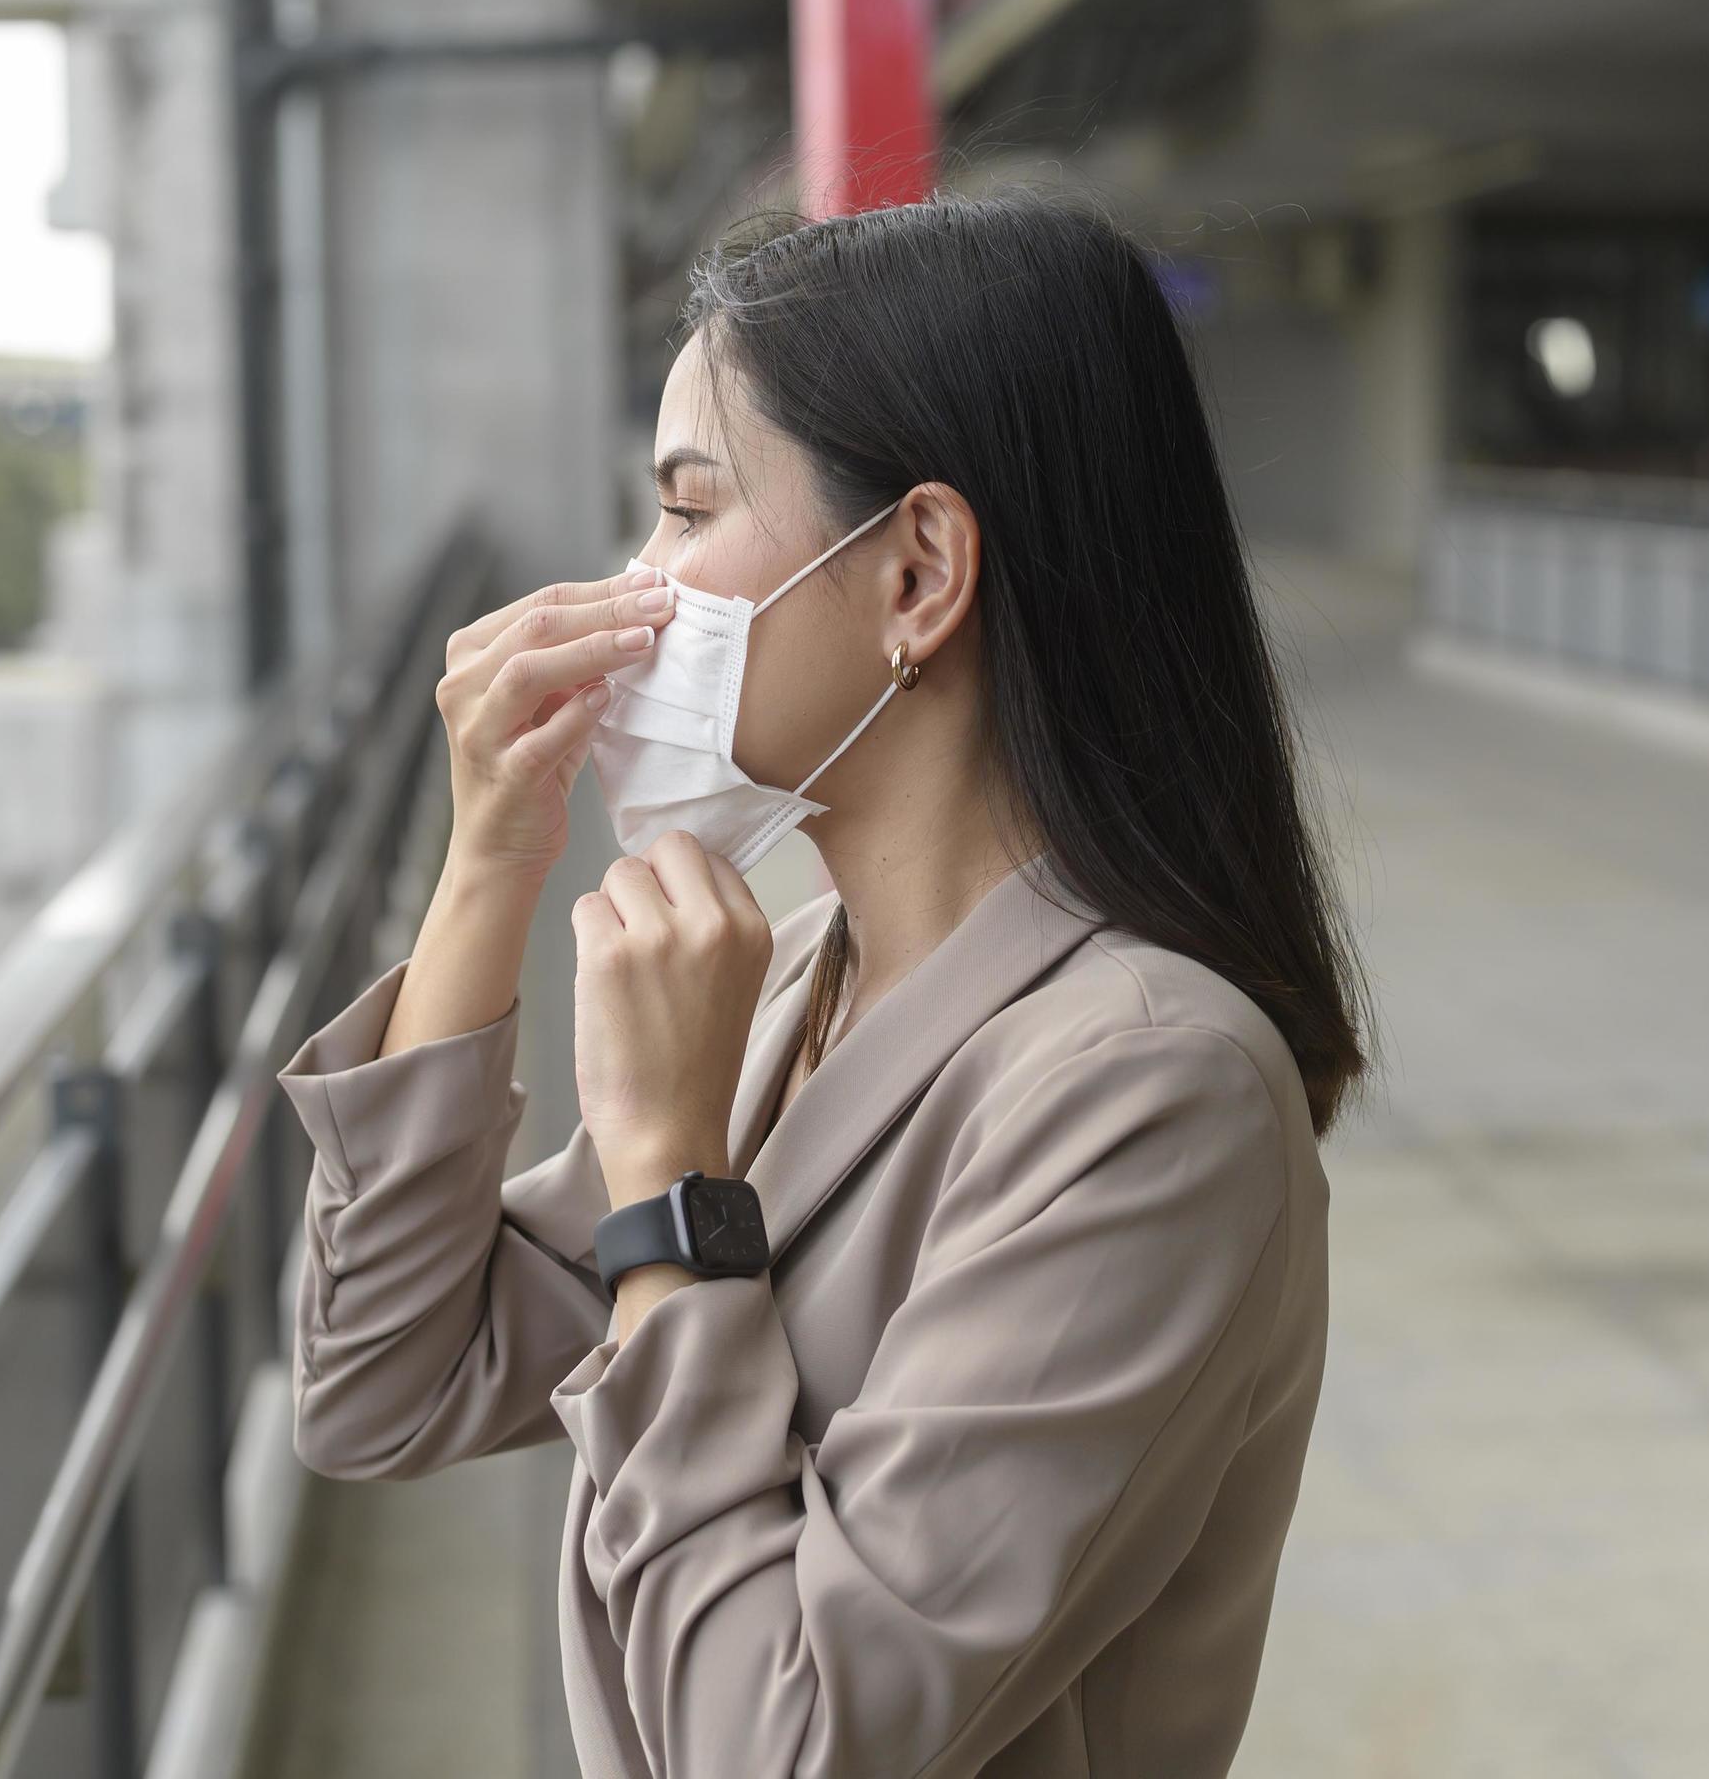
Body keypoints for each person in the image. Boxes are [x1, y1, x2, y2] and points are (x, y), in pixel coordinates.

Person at [275, 186, 1367, 1778]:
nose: (629, 591)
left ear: (918, 571)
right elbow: (381, 1383)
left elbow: (777, 1746)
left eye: (687, 512)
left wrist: (664, 1183)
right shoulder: (796, 977)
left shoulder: (1148, 1085)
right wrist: (490, 870)